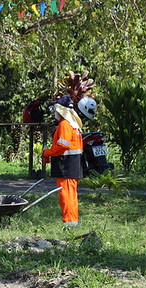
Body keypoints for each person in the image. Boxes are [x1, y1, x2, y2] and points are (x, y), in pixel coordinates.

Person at [43, 95, 84, 228]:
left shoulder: (65, 125)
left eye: (56, 109)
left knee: (66, 196)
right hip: (73, 165)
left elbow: (62, 146)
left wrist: (47, 152)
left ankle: (69, 223)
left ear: (61, 110)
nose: (54, 112)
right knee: (71, 195)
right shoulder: (73, 124)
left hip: (66, 165)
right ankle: (72, 222)